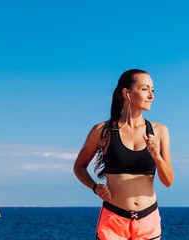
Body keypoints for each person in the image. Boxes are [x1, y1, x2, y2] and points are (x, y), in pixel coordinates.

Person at [73, 69, 174, 240]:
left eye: (152, 90)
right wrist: (95, 188)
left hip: (148, 222)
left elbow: (168, 181)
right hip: (113, 222)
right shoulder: (102, 131)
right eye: (145, 89)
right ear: (126, 93)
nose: (151, 95)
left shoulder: (160, 131)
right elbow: (79, 166)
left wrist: (156, 156)